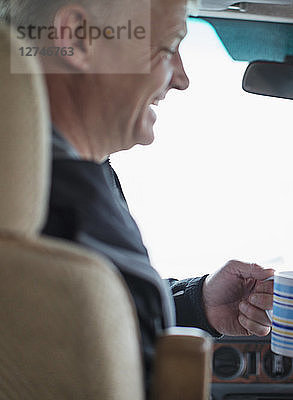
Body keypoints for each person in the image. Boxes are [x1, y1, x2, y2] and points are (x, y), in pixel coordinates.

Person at [0, 0, 274, 393]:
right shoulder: (70, 204)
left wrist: (195, 304)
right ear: (77, 38)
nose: (181, 78)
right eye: (167, 47)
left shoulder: (49, 188)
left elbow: (70, 318)